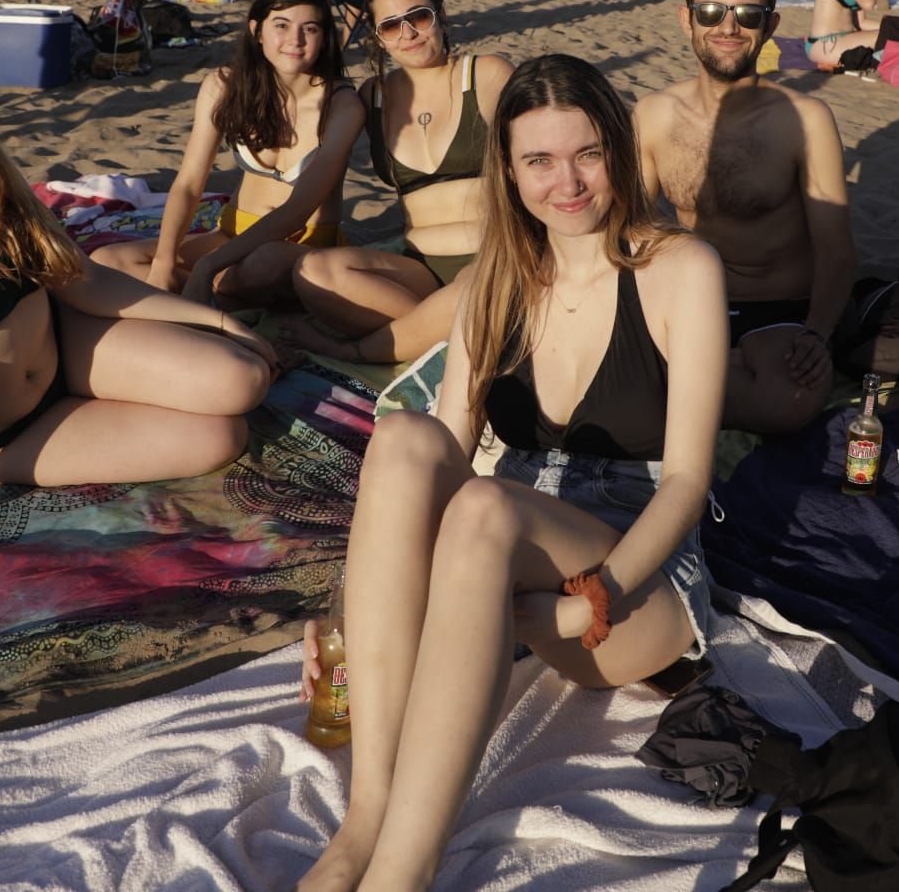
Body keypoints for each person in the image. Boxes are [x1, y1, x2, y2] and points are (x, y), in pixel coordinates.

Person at [293, 53, 728, 892]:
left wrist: (582, 604)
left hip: (637, 576)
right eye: (539, 161)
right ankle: (367, 819)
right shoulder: (499, 275)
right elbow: (446, 441)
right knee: (401, 439)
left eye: (588, 154)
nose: (567, 183)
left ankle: (405, 872)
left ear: (619, 153)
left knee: (488, 505)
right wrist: (352, 610)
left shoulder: (681, 269)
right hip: (504, 535)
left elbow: (687, 482)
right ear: (509, 169)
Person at [0, 6, 279, 584]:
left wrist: (214, 322)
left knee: (241, 376)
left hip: (65, 351)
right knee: (221, 435)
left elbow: (77, 277)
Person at [636, 0, 854, 434]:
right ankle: (699, 385)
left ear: (770, 25)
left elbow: (837, 251)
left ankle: (685, 393)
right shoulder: (653, 115)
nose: (728, 28)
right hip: (688, 301)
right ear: (686, 20)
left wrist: (818, 334)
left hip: (775, 312)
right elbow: (629, 227)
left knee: (789, 396)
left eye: (748, 15)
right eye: (711, 11)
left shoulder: (804, 121)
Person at [290, 0, 514, 364]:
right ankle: (445, 331)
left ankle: (356, 351)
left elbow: (532, 160)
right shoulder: (373, 96)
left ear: (441, 16)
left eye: (419, 17)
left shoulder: (486, 74)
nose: (407, 33)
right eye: (390, 26)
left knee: (469, 292)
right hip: (419, 271)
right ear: (378, 38)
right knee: (313, 272)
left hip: (491, 255)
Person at [93, 0, 361, 304]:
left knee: (266, 262)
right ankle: (204, 296)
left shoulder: (341, 104)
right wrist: (164, 262)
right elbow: (190, 183)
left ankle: (193, 297)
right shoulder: (223, 85)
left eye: (310, 28)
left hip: (300, 244)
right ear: (256, 31)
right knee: (107, 261)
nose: (296, 39)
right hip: (232, 232)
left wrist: (207, 266)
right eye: (281, 25)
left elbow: (298, 209)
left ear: (324, 37)